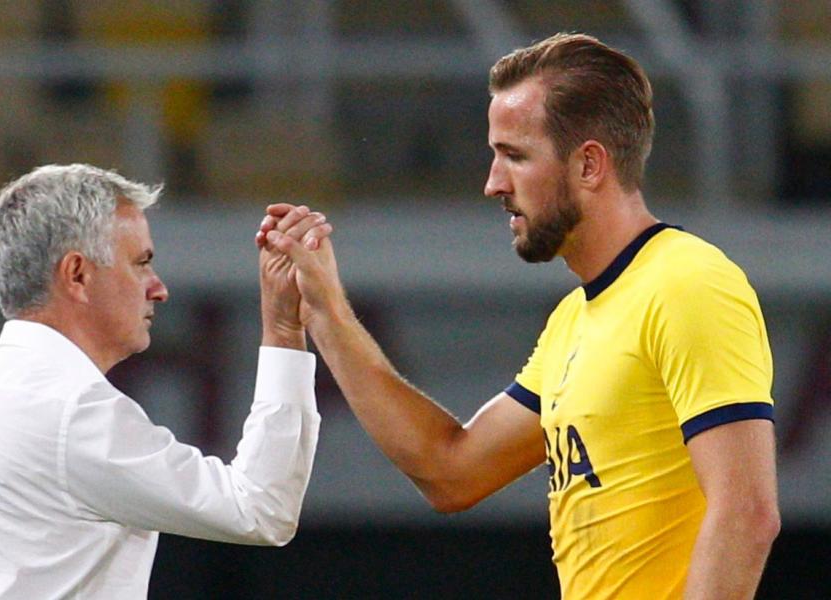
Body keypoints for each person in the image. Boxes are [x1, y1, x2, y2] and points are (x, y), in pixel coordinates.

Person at [258, 33, 780, 599]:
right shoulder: (576, 318)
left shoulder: (687, 284)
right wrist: (326, 312)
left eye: (515, 155)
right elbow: (451, 470)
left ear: (588, 165)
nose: (493, 183)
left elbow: (747, 512)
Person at [0, 164, 331, 598]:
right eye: (141, 262)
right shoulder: (72, 411)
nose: (158, 287)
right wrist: (285, 330)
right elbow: (260, 509)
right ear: (77, 274)